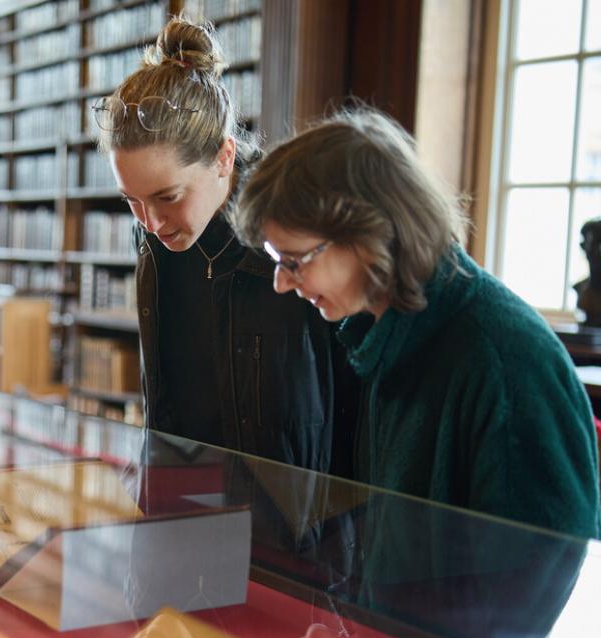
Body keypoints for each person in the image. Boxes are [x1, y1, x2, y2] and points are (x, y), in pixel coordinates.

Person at [233, 108, 600, 539]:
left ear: (370, 234)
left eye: (294, 261)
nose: (280, 283)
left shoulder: (504, 361)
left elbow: (548, 572)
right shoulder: (385, 333)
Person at [93, 17, 355, 472]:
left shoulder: (298, 230)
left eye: (167, 197)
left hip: (286, 527)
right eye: (131, 200)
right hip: (179, 505)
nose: (151, 223)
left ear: (224, 156)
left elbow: (354, 396)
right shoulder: (155, 237)